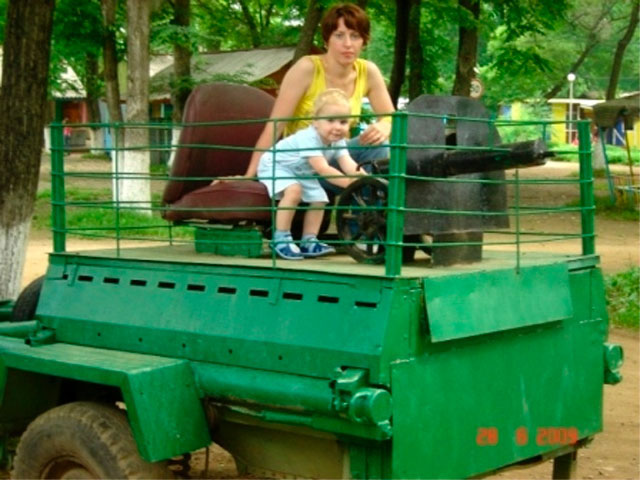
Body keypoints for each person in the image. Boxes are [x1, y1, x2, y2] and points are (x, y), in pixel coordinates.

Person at [245, 3, 395, 180]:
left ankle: (369, 197)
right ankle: (365, 193)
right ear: (326, 40)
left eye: (355, 36)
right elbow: (275, 126)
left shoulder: (368, 72)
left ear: (364, 41)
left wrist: (385, 125)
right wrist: (249, 176)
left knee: (378, 144)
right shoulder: (306, 68)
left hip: (338, 157)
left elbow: (392, 118)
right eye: (339, 35)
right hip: (302, 163)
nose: (348, 44)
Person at [258, 89, 363, 260]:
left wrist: (364, 178)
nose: (337, 127)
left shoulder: (338, 141)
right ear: (315, 121)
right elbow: (323, 169)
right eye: (330, 120)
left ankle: (309, 240)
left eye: (343, 122)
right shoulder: (309, 138)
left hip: (301, 171)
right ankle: (281, 238)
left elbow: (349, 164)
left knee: (320, 198)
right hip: (276, 165)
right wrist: (351, 184)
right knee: (294, 190)